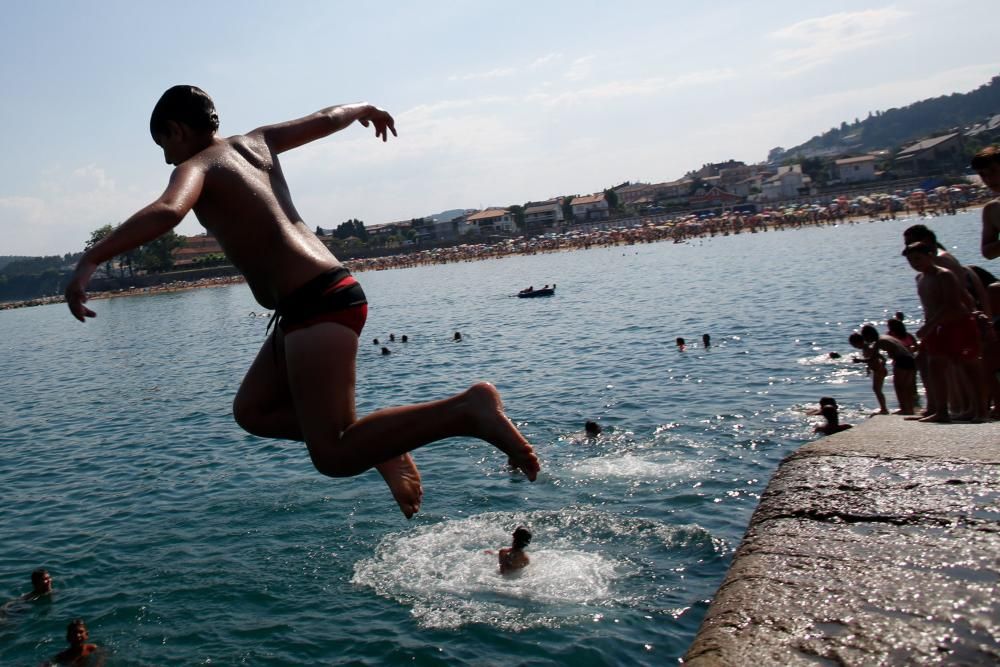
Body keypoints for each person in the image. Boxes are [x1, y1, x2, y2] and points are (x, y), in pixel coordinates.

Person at [64, 86, 539, 520]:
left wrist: (90, 261)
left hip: (318, 303)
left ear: (177, 130)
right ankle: (383, 447)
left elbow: (169, 210)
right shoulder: (257, 142)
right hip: (311, 301)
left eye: (163, 146)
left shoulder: (198, 166)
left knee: (332, 455)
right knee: (253, 411)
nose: (167, 160)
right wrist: (364, 109)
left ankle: (469, 409)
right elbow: (327, 117)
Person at [902, 242, 987, 422]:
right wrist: (929, 327)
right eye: (910, 261)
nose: (914, 263)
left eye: (918, 258)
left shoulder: (944, 275)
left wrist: (928, 326)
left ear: (930, 255)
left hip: (958, 324)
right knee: (935, 367)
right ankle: (941, 410)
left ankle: (980, 411)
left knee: (968, 365)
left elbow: (952, 304)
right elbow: (929, 306)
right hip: (936, 327)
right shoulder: (920, 278)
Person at [861, 324, 918, 415]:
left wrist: (858, 360)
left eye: (865, 337)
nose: (866, 340)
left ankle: (904, 408)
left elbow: (872, 358)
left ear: (869, 335)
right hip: (911, 359)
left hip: (901, 360)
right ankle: (910, 408)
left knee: (899, 386)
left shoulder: (878, 342)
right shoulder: (885, 337)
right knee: (907, 387)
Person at [849, 332, 889, 414]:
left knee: (877, 389)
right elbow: (879, 357)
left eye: (854, 345)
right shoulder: (866, 347)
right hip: (877, 369)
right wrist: (868, 367)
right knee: (877, 389)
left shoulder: (867, 347)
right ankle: (883, 408)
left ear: (858, 342)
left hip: (879, 370)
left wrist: (859, 360)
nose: (855, 347)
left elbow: (873, 358)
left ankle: (884, 409)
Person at [972, 146, 1000, 262]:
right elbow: (987, 252)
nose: (988, 178)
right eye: (982, 174)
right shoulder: (992, 209)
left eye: (993, 171)